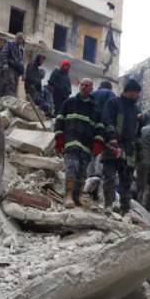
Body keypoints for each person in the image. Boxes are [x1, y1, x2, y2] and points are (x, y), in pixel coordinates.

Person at [54, 79, 104, 208]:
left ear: (92, 89)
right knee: (72, 167)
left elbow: (99, 127)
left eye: (87, 85)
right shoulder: (69, 102)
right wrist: (59, 139)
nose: (84, 87)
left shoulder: (95, 108)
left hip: (86, 144)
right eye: (82, 85)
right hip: (71, 141)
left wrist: (98, 142)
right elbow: (59, 120)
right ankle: (68, 195)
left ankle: (77, 196)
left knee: (82, 172)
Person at [100, 79, 142, 213]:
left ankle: (125, 209)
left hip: (129, 149)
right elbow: (107, 120)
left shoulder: (136, 110)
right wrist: (111, 136)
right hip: (113, 145)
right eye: (137, 93)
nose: (138, 96)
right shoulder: (113, 103)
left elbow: (138, 132)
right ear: (131, 92)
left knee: (127, 180)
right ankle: (108, 205)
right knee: (110, 177)